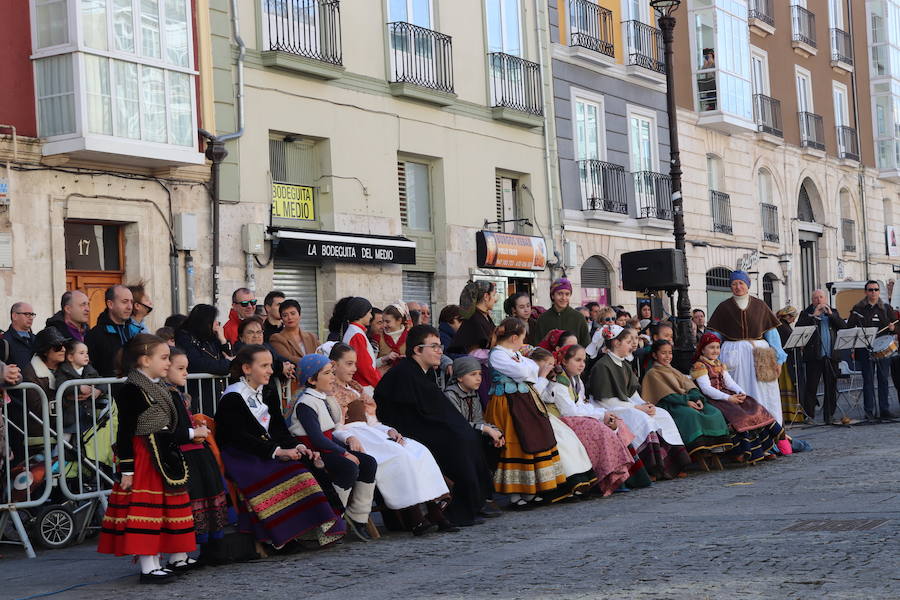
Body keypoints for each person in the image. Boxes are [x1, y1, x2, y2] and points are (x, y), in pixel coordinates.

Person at [214, 345, 344, 549]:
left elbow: (279, 430)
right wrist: (277, 452)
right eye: (264, 366)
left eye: (270, 365)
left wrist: (298, 446)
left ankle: (311, 532)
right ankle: (283, 537)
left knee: (305, 462)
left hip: (265, 450)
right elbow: (238, 437)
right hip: (242, 456)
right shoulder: (233, 396)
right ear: (247, 368)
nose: (270, 370)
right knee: (295, 472)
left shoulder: (267, 391)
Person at [97, 334, 197, 583]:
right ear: (144, 360)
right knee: (146, 510)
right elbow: (125, 433)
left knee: (164, 508)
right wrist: (127, 469)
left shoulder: (160, 388)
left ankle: (164, 560)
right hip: (143, 454)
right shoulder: (131, 390)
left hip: (162, 453)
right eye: (163, 358)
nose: (168, 362)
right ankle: (148, 566)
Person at [330, 343, 457, 534]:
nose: (354, 369)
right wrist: (348, 437)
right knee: (399, 456)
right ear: (334, 365)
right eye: (348, 364)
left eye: (355, 364)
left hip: (371, 432)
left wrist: (389, 430)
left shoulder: (356, 388)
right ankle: (413, 516)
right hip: (356, 437)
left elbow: (372, 421)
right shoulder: (331, 392)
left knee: (418, 450)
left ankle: (434, 509)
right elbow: (334, 427)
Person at [374, 325, 494, 527]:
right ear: (417, 350)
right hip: (404, 431)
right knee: (456, 441)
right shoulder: (403, 374)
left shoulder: (425, 372)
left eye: (441, 346)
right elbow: (400, 414)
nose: (440, 351)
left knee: (468, 437)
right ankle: (455, 509)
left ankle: (473, 503)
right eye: (435, 346)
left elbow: (438, 408)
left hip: (424, 425)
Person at [288, 354, 378, 542]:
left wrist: (345, 449)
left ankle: (357, 516)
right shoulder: (305, 403)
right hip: (312, 452)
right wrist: (344, 453)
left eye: (332, 372)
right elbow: (317, 439)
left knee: (368, 462)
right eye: (327, 373)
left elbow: (330, 433)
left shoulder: (322, 398)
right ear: (312, 379)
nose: (332, 377)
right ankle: (332, 518)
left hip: (327, 448)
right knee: (348, 466)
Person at [588, 325, 691, 480]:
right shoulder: (602, 366)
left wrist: (645, 405)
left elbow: (632, 392)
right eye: (628, 342)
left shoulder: (623, 364)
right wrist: (637, 407)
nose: (632, 346)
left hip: (625, 404)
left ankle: (673, 464)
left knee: (662, 414)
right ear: (616, 343)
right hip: (608, 407)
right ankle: (651, 467)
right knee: (640, 418)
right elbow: (606, 399)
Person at [484, 319, 568, 508]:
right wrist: (529, 371)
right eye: (522, 338)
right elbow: (524, 372)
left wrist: (529, 370)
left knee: (531, 438)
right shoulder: (497, 354)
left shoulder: (513, 353)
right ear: (514, 338)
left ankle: (530, 489)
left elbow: (529, 368)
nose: (523, 343)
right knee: (514, 442)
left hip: (523, 400)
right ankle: (515, 493)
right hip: (506, 402)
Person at [539, 344, 634, 496]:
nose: (582, 364)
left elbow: (581, 404)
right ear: (564, 361)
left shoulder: (576, 380)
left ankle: (623, 475)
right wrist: (600, 416)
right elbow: (569, 411)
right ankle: (606, 477)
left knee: (618, 424)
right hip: (564, 421)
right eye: (577, 360)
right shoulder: (559, 382)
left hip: (576, 417)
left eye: (583, 360)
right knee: (600, 430)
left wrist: (603, 413)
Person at [164, 346, 229, 561]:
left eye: (186, 368)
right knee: (195, 501)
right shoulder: (168, 396)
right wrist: (195, 432)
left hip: (197, 452)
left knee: (210, 496)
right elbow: (173, 430)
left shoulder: (177, 394)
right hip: (186, 454)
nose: (185, 373)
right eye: (180, 368)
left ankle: (211, 548)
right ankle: (185, 551)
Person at [705, 271, 787, 426]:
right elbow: (714, 336)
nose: (737, 287)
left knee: (765, 392)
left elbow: (773, 335)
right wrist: (711, 358)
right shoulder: (724, 308)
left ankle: (770, 427)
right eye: (734, 284)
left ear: (747, 285)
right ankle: (744, 426)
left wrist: (779, 359)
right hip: (733, 355)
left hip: (760, 355)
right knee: (738, 390)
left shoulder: (760, 305)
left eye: (741, 283)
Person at [692, 333, 786, 462]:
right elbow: (706, 389)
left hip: (726, 395)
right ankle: (743, 452)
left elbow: (729, 382)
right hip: (713, 399)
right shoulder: (700, 365)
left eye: (717, 347)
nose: (715, 351)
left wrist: (742, 393)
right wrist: (728, 398)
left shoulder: (718, 363)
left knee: (754, 407)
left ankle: (763, 448)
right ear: (703, 349)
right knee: (740, 415)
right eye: (711, 347)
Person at [523, 347, 599, 497]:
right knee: (560, 442)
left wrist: (548, 379)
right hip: (534, 418)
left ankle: (579, 481)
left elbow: (550, 397)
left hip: (547, 417)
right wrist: (543, 376)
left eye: (552, 364)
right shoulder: (529, 378)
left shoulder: (552, 380)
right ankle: (565, 484)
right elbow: (533, 397)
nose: (550, 367)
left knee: (569, 439)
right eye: (546, 364)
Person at [641, 340, 731, 463]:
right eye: (663, 353)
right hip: (672, 405)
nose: (668, 356)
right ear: (655, 355)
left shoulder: (673, 369)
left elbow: (689, 385)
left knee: (714, 411)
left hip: (686, 400)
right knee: (691, 414)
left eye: (670, 353)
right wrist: (686, 401)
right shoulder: (653, 373)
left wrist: (697, 398)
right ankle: (698, 449)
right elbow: (666, 395)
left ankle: (714, 446)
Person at [847, 280, 898, 419]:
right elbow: (850, 326)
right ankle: (869, 411)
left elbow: (896, 325)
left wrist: (894, 328)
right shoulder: (858, 308)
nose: (873, 292)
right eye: (870, 290)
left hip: (882, 349)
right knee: (868, 381)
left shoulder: (886, 308)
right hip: (865, 349)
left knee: (883, 380)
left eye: (875, 289)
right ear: (866, 292)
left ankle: (884, 410)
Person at [443, 355, 505, 468]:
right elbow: (458, 425)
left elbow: (478, 420)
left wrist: (497, 432)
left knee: (496, 439)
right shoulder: (450, 395)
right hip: (455, 443)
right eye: (473, 374)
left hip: (470, 438)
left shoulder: (473, 393)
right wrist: (486, 429)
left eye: (479, 374)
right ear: (460, 377)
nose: (478, 378)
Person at [796, 290, 845, 424]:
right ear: (812, 300)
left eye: (821, 297)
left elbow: (843, 326)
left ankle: (829, 415)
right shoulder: (805, 313)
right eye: (816, 298)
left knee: (831, 386)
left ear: (826, 299)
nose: (819, 300)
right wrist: (813, 316)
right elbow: (799, 328)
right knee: (811, 387)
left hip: (831, 355)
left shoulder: (833, 312)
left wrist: (831, 315)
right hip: (814, 356)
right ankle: (809, 415)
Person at [85, 285, 141, 377]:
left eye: (131, 302)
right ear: (110, 304)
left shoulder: (136, 332)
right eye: (125, 302)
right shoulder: (95, 335)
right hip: (109, 390)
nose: (130, 307)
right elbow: (90, 368)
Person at [234, 316, 295, 391]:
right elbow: (259, 364)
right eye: (250, 333)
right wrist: (281, 367)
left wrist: (289, 366)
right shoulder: (241, 351)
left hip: (269, 393)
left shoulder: (266, 347)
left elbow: (280, 358)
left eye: (259, 332)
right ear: (241, 337)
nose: (256, 336)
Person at [55, 339, 103, 432]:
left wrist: (98, 390)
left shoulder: (90, 370)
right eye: (81, 353)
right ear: (70, 357)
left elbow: (102, 381)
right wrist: (79, 388)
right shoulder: (64, 371)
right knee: (66, 439)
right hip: (70, 415)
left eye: (87, 353)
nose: (86, 355)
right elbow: (60, 385)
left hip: (87, 414)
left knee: (87, 440)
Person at [175, 304, 232, 376]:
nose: (217, 323)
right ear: (206, 322)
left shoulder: (212, 338)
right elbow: (197, 363)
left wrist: (223, 340)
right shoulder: (185, 338)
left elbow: (230, 356)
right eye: (214, 320)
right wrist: (227, 364)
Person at [339, 297, 380, 392]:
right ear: (362, 313)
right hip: (364, 386)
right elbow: (364, 367)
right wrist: (379, 384)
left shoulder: (355, 331)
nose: (371, 316)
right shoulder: (356, 334)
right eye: (369, 312)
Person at [532, 278, 590, 347]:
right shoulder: (543, 318)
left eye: (567, 294)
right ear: (553, 295)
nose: (564, 298)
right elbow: (537, 346)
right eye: (560, 294)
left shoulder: (579, 317)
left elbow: (586, 345)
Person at [447, 281, 497, 355]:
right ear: (486, 296)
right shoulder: (474, 318)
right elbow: (476, 351)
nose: (495, 300)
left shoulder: (482, 316)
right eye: (494, 295)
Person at [269, 299, 319, 364]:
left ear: (300, 315)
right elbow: (288, 358)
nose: (289, 317)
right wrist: (313, 363)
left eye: (293, 313)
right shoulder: (277, 338)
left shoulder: (312, 337)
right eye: (285, 315)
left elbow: (322, 354)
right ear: (281, 319)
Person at [775, 306, 803, 424]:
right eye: (793, 317)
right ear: (789, 316)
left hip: (788, 360)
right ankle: (790, 415)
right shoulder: (782, 326)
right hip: (786, 362)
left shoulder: (782, 325)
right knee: (788, 386)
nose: (794, 320)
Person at [4, 302, 36, 369]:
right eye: (27, 314)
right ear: (14, 316)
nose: (31, 318)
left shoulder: (37, 339)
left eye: (32, 314)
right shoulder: (4, 341)